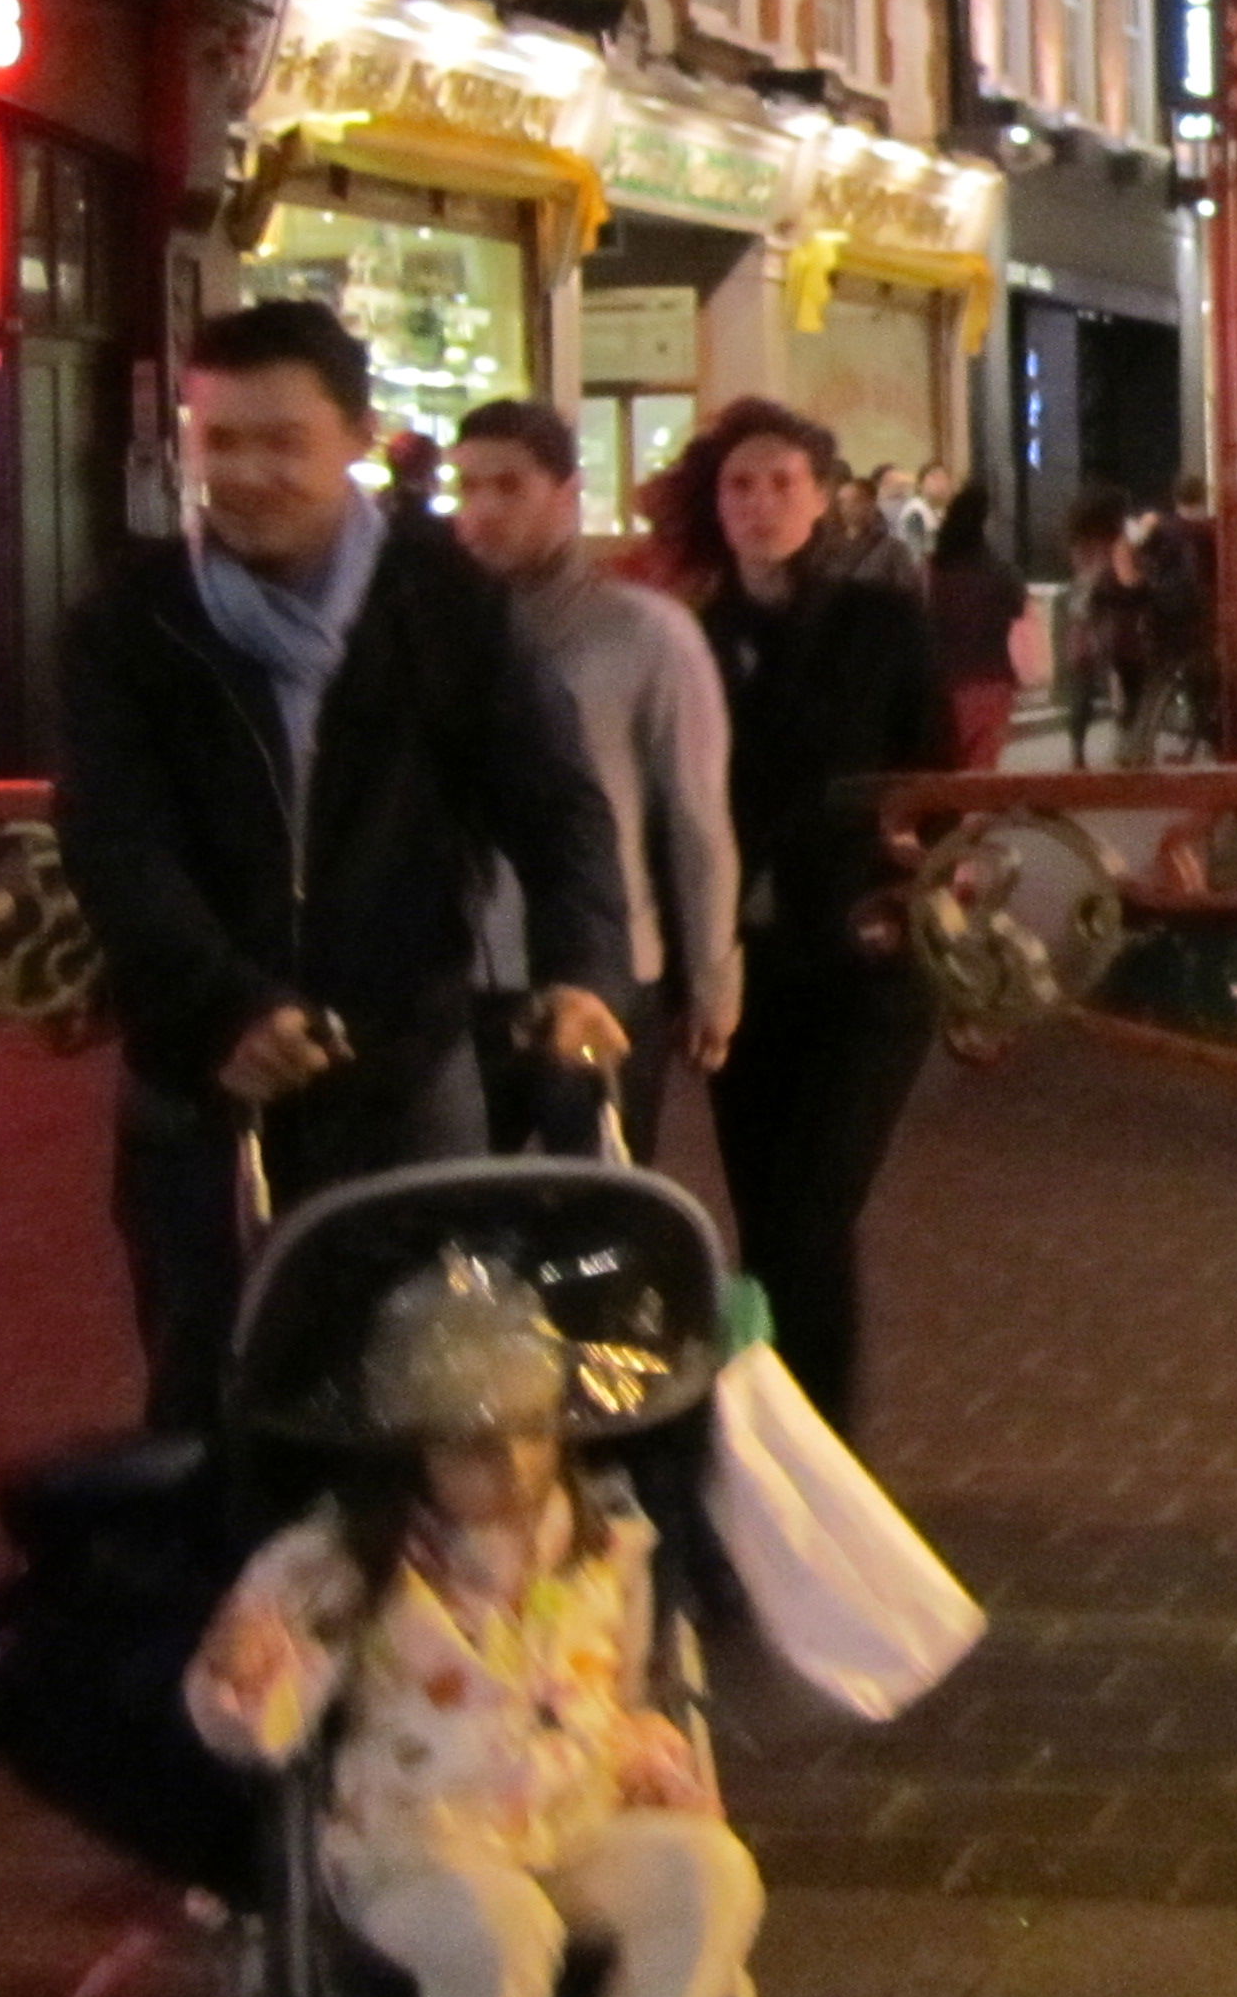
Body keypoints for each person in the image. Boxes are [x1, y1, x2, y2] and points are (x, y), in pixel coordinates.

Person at [62, 302, 632, 1433]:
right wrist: (225, 1006)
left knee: (430, 1387)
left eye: (283, 442)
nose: (247, 473)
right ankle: (243, 1606)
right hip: (205, 1080)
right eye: (220, 442)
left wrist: (585, 971)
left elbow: (556, 802)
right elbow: (118, 841)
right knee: (216, 1391)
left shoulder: (442, 598)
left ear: (359, 436)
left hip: (405, 1060)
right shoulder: (136, 617)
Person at [186, 1249, 762, 1997]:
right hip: (415, 1847)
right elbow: (262, 1728)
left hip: (566, 1826)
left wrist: (644, 1753)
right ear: (415, 1448)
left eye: (532, 1434)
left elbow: (619, 1696)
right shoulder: (347, 1558)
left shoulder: (604, 1548)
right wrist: (243, 1679)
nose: (514, 1466)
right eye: (473, 1447)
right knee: (504, 1928)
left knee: (713, 1877)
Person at [647, 402, 950, 1439]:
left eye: (782, 482)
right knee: (770, 1219)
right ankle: (794, 1457)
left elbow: (935, 777)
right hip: (748, 970)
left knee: (812, 1214)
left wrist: (913, 881)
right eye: (740, 484)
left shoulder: (881, 626)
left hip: (867, 958)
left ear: (823, 496)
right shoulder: (691, 636)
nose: (762, 504)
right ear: (713, 502)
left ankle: (823, 1449)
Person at [445, 401, 743, 1166]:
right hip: (453, 981)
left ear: (567, 494)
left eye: (508, 487)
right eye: (466, 487)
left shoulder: (645, 631)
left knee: (599, 1209)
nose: (481, 511)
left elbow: (695, 814)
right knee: (453, 1214)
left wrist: (712, 972)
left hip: (601, 976)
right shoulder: (432, 632)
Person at [924, 484, 1031, 772]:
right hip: (990, 677)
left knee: (949, 767)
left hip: (943, 681)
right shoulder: (999, 570)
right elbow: (1018, 607)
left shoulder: (934, 569)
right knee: (981, 770)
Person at [1054, 490, 1148, 767]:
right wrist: (1145, 584)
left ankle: (1078, 752)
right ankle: (1127, 747)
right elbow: (1128, 580)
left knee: (1081, 691)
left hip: (1082, 623)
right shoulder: (1118, 542)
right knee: (1132, 683)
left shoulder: (1077, 541)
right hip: (1118, 623)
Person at [1137, 475, 1218, 753]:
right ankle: (1204, 731)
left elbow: (1141, 558)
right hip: (1199, 615)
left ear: (1176, 498)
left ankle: (1143, 740)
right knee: (1204, 674)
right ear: (1203, 497)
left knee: (1160, 676)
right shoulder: (1212, 531)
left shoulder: (1161, 528)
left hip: (1164, 613)